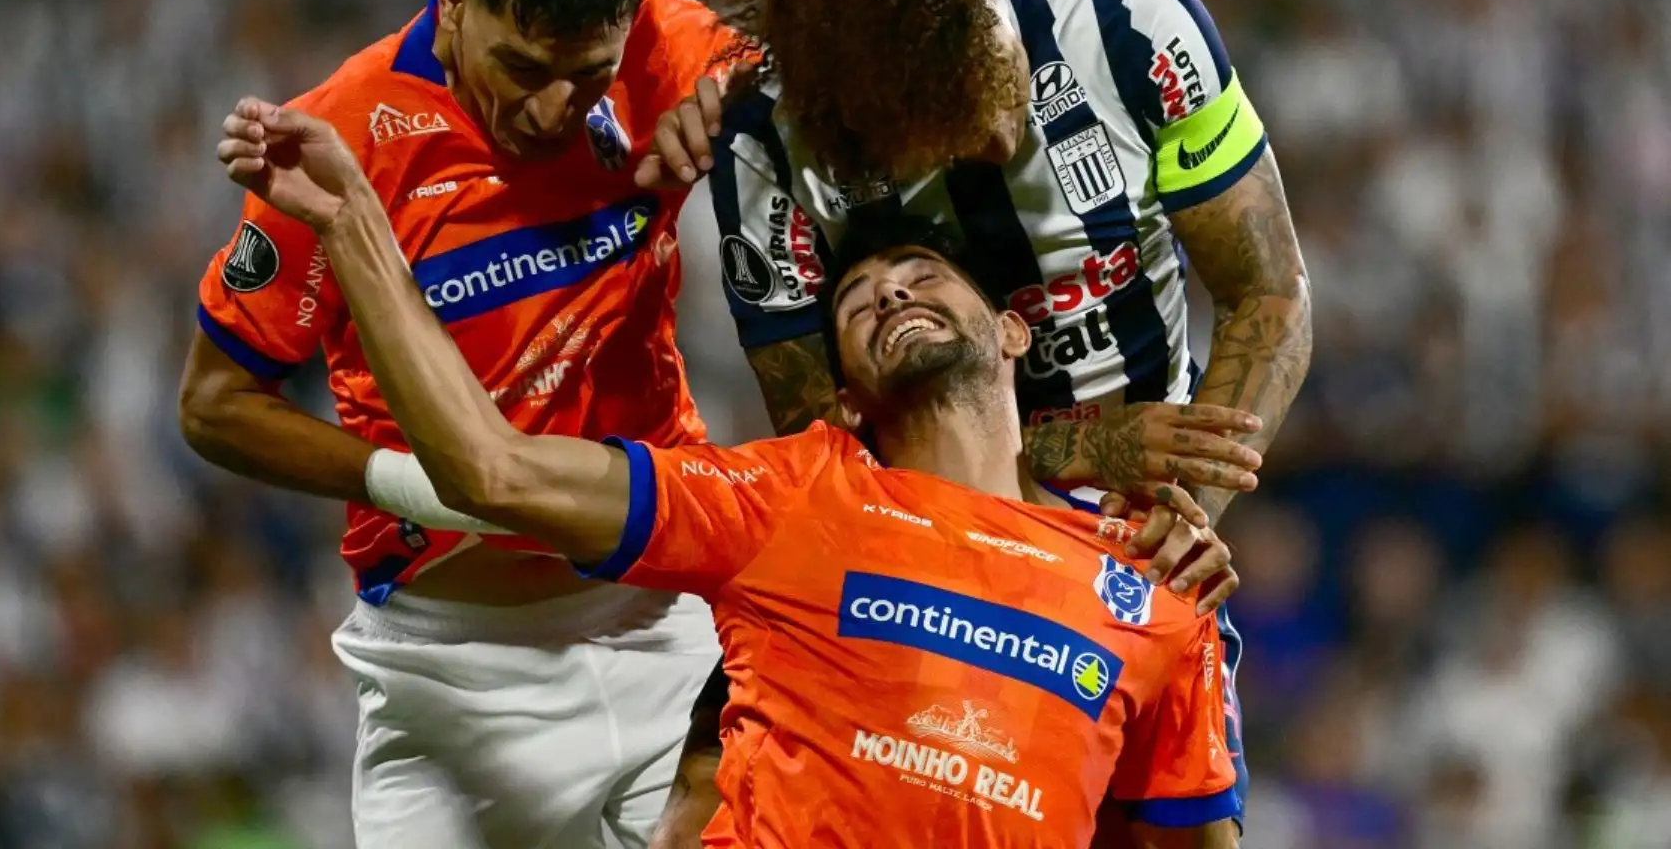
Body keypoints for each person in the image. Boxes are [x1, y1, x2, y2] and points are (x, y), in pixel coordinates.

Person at [213, 93, 1251, 848]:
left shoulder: (1158, 587)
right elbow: (495, 472)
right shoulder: (790, 497)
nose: (891, 293)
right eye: (858, 302)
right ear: (846, 399)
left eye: (922, 274)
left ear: (1015, 331)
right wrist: (355, 225)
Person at [638, 0, 1312, 845]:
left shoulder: (1129, 18)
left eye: (999, 82)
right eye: (950, 135)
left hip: (1127, 547)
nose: (1000, 137)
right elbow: (835, 438)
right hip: (910, 548)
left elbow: (1271, 293)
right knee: (706, 792)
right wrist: (1077, 445)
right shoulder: (770, 144)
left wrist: (1179, 520)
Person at [177, 0, 749, 849]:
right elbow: (214, 405)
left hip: (673, 623)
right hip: (450, 674)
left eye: (587, 76)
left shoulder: (668, 47)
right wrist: (411, 484)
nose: (552, 108)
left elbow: (819, 97)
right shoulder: (341, 139)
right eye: (522, 67)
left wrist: (745, 112)